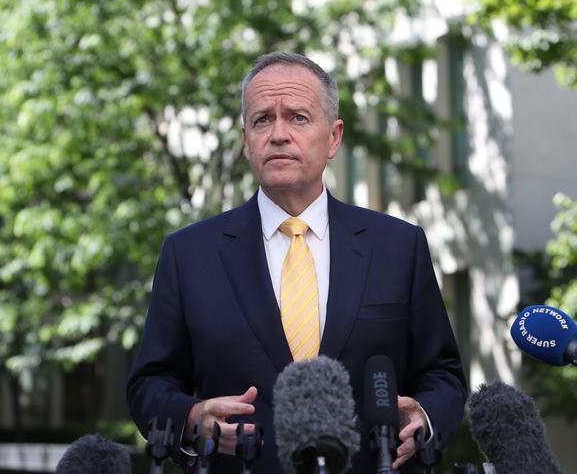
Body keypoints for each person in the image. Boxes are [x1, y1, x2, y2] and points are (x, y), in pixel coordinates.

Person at [127, 51, 467, 473]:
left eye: (298, 118)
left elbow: (443, 375)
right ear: (246, 139)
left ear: (334, 137)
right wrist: (191, 420)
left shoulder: (398, 246)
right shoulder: (189, 254)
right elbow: (149, 384)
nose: (278, 134)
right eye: (262, 120)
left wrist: (424, 418)